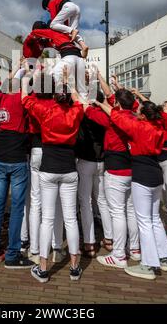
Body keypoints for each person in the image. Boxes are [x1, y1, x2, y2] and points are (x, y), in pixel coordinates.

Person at [95, 98, 167, 280]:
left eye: (139, 110)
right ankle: (163, 258)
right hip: (156, 173)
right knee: (154, 219)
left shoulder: (138, 127)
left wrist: (99, 104)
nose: (136, 112)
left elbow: (115, 115)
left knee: (144, 221)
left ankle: (148, 265)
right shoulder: (159, 126)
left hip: (142, 175)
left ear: (144, 116)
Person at [23, 71, 84, 283]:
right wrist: (69, 83)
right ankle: (75, 268)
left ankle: (42, 269)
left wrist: (27, 78)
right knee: (70, 218)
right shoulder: (76, 111)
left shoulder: (45, 111)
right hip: (69, 169)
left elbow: (26, 99)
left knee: (47, 219)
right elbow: (78, 100)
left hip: (48, 169)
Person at [85, 88, 140, 269]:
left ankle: (118, 255)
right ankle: (134, 248)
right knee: (130, 210)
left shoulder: (113, 118)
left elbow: (90, 112)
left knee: (117, 212)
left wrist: (81, 98)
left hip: (115, 169)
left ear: (116, 103)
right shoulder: (134, 117)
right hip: (131, 168)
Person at [0, 73, 34, 269]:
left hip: (1, 155)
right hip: (16, 157)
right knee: (16, 207)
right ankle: (13, 254)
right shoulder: (21, 96)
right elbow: (32, 120)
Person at [132, 92, 167, 249]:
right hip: (165, 164)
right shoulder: (160, 121)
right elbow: (152, 110)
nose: (161, 107)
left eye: (164, 106)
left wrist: (139, 96)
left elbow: (152, 108)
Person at [26, 72, 65, 265]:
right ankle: (56, 247)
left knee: (36, 201)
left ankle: (35, 249)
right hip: (55, 151)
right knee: (56, 203)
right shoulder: (58, 104)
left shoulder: (33, 101)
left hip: (37, 149)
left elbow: (26, 94)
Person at [75, 90, 113, 257]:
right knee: (102, 200)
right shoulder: (106, 115)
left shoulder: (86, 112)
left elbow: (77, 100)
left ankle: (89, 243)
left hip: (86, 161)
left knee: (86, 202)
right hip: (101, 162)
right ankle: (110, 239)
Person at [23, 22, 88, 100]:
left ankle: (59, 100)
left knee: (51, 78)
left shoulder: (51, 36)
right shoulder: (51, 36)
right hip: (78, 58)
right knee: (82, 90)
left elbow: (37, 33)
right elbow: (33, 35)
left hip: (68, 56)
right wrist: (82, 44)